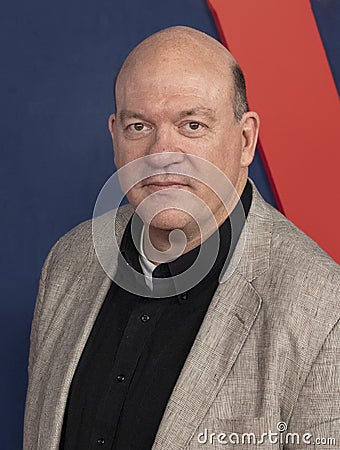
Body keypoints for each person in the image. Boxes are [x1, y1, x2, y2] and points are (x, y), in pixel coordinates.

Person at [24, 26, 339, 450]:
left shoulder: (324, 309)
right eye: (139, 126)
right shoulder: (67, 263)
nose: (161, 152)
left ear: (245, 140)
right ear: (115, 136)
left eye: (192, 124)